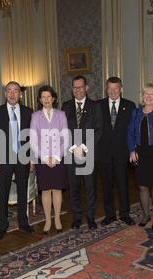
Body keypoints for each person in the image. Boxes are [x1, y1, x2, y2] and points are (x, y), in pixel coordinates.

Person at [0, 81, 35, 240]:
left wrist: (32, 159)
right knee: (3, 193)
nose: (12, 94)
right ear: (5, 93)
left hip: (23, 158)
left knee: (23, 190)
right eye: (9, 91)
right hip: (3, 159)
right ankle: (2, 226)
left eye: (15, 91)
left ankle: (23, 222)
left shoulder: (29, 112)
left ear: (20, 94)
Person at [62, 75, 102, 230]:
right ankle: (77, 217)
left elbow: (99, 130)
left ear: (86, 88)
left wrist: (84, 148)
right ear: (72, 89)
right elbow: (63, 130)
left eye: (80, 87)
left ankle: (91, 217)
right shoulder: (66, 106)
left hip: (89, 152)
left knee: (91, 187)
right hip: (71, 153)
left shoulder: (95, 106)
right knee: (74, 187)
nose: (78, 90)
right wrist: (73, 148)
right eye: (75, 87)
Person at [128, 83, 153, 230]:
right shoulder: (136, 112)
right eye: (146, 93)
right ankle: (146, 215)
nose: (149, 96)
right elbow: (130, 133)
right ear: (142, 96)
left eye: (152, 94)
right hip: (141, 153)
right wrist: (132, 150)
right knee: (143, 187)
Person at [30, 85, 69, 234]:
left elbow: (65, 138)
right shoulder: (35, 116)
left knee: (57, 190)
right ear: (40, 99)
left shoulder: (61, 115)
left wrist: (57, 157)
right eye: (43, 97)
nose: (46, 99)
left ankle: (57, 219)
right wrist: (45, 158)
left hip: (59, 158)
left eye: (49, 96)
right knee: (45, 191)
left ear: (53, 98)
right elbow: (33, 140)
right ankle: (47, 220)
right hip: (42, 159)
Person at [97, 77, 136, 226]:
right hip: (104, 153)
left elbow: (132, 131)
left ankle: (125, 214)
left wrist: (132, 150)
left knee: (123, 185)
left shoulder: (130, 105)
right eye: (110, 88)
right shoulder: (98, 105)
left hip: (122, 152)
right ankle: (110, 215)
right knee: (106, 186)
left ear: (121, 89)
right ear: (106, 89)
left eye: (116, 88)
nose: (113, 91)